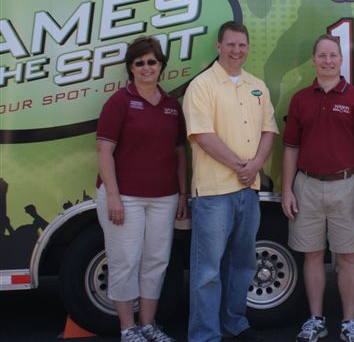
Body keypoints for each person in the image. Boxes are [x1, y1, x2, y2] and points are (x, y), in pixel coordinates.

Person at [184, 21, 278, 342]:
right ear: (218, 46)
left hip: (248, 191)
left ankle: (234, 323)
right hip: (213, 193)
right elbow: (202, 135)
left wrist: (255, 166)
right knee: (208, 270)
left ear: (247, 48)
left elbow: (269, 131)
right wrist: (242, 166)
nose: (237, 51)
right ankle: (204, 334)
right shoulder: (202, 85)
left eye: (242, 45)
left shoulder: (257, 86)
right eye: (231, 45)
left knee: (242, 265)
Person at [281, 34, 354, 342]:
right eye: (322, 56)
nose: (327, 61)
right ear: (314, 60)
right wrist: (287, 189)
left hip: (347, 186)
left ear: (341, 59)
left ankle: (349, 322)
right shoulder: (300, 99)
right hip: (307, 186)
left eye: (332, 55)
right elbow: (291, 148)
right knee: (312, 256)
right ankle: (316, 320)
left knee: (348, 258)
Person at [95, 36, 187, 342]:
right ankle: (127, 329)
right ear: (131, 68)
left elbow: (179, 152)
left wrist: (182, 193)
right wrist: (113, 196)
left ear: (161, 65)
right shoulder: (119, 102)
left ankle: (148, 325)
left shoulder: (172, 105)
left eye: (152, 62)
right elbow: (104, 151)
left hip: (164, 198)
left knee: (156, 261)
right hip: (125, 198)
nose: (147, 67)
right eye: (140, 63)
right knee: (125, 261)